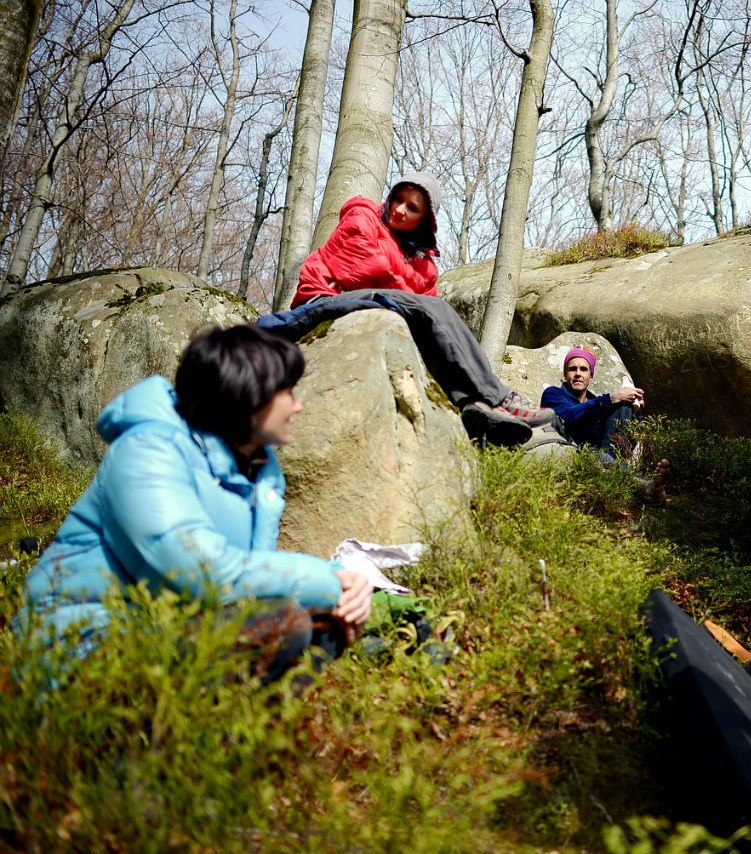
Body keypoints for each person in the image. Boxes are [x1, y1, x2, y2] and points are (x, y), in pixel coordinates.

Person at [15, 325, 372, 685]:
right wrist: (332, 582)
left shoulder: (256, 471)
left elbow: (246, 589)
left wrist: (347, 597)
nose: (299, 405)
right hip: (78, 645)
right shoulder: (148, 451)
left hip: (159, 627)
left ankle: (228, 733)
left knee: (323, 624)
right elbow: (200, 574)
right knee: (285, 621)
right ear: (249, 394)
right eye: (288, 391)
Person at [288, 172, 556, 446]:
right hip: (324, 298)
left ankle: (472, 405)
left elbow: (430, 318)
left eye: (412, 208)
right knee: (428, 309)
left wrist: (412, 293)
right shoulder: (362, 214)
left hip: (371, 304)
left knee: (433, 331)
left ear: (424, 220)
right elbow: (366, 270)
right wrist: (409, 287)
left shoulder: (425, 265)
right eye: (398, 199)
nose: (399, 210)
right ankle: (499, 397)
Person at [539, 346, 645, 463]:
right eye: (573, 369)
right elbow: (571, 414)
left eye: (583, 369)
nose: (578, 373)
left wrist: (635, 413)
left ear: (591, 376)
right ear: (565, 375)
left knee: (623, 407)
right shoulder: (553, 394)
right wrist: (612, 398)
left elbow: (628, 441)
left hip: (602, 456)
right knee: (605, 459)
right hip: (568, 454)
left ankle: (620, 469)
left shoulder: (599, 406)